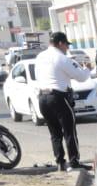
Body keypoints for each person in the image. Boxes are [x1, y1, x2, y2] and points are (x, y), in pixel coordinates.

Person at [33, 31, 91, 171]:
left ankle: (60, 162)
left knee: (55, 133)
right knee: (69, 131)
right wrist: (87, 69)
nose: (67, 48)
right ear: (60, 43)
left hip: (42, 98)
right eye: (66, 45)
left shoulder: (40, 57)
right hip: (58, 97)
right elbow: (82, 77)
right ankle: (74, 161)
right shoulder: (62, 58)